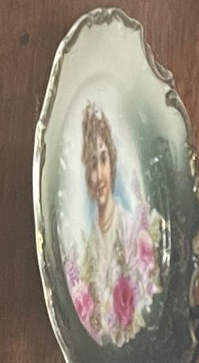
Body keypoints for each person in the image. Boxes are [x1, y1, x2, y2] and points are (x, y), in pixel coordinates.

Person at [64, 103, 161, 346]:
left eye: (103, 160)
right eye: (92, 164)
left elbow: (147, 293)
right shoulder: (88, 245)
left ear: (112, 163)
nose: (99, 175)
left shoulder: (130, 229)